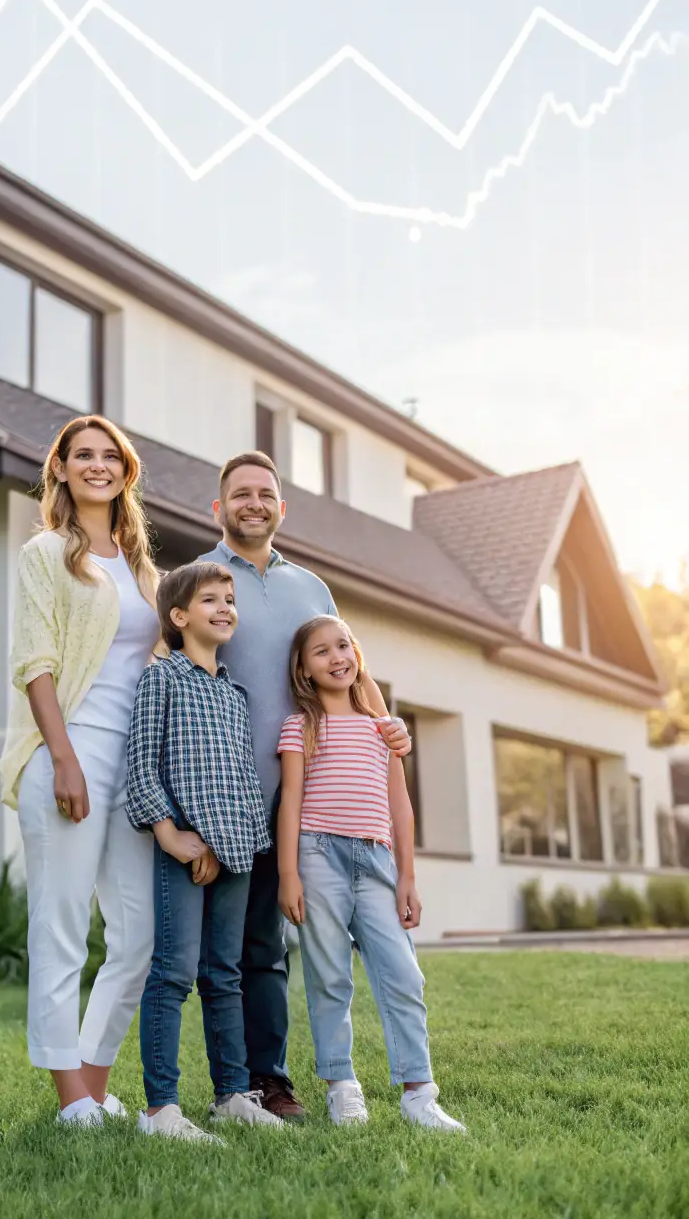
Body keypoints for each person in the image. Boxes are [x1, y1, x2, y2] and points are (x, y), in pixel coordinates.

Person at [200, 450, 412, 1121]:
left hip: (309, 800)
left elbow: (351, 665)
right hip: (229, 794)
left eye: (265, 493)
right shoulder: (203, 580)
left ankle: (271, 1082)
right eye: (241, 494)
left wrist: (385, 727)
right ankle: (232, 1085)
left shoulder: (311, 587)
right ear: (220, 507)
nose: (254, 503)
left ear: (281, 508)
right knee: (228, 949)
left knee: (271, 949)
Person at [0, 415, 161, 1129]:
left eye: (110, 456)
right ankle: (70, 1098)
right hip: (70, 752)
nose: (98, 465)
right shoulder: (45, 554)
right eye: (83, 455)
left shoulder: (142, 568)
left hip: (133, 765)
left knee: (138, 935)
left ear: (126, 471)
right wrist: (63, 757)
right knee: (61, 927)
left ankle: (95, 1083)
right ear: (60, 469)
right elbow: (35, 662)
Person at [276, 614, 466, 1132]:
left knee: (403, 974)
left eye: (343, 646)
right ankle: (342, 1087)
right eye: (321, 651)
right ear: (304, 669)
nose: (337, 657)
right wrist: (288, 873)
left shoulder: (382, 729)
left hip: (377, 859)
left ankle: (419, 1093)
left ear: (356, 654)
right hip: (317, 855)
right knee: (330, 975)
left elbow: (400, 804)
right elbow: (290, 800)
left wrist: (408, 876)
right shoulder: (300, 725)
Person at [125, 563, 284, 1142]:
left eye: (230, 599)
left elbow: (241, 779)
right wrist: (172, 835)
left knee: (225, 975)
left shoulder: (235, 694)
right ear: (178, 616)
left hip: (235, 848)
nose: (225, 608)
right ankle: (160, 1109)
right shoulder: (162, 679)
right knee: (173, 973)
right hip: (182, 845)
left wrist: (229, 843)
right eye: (210, 599)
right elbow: (142, 764)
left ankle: (232, 1095)